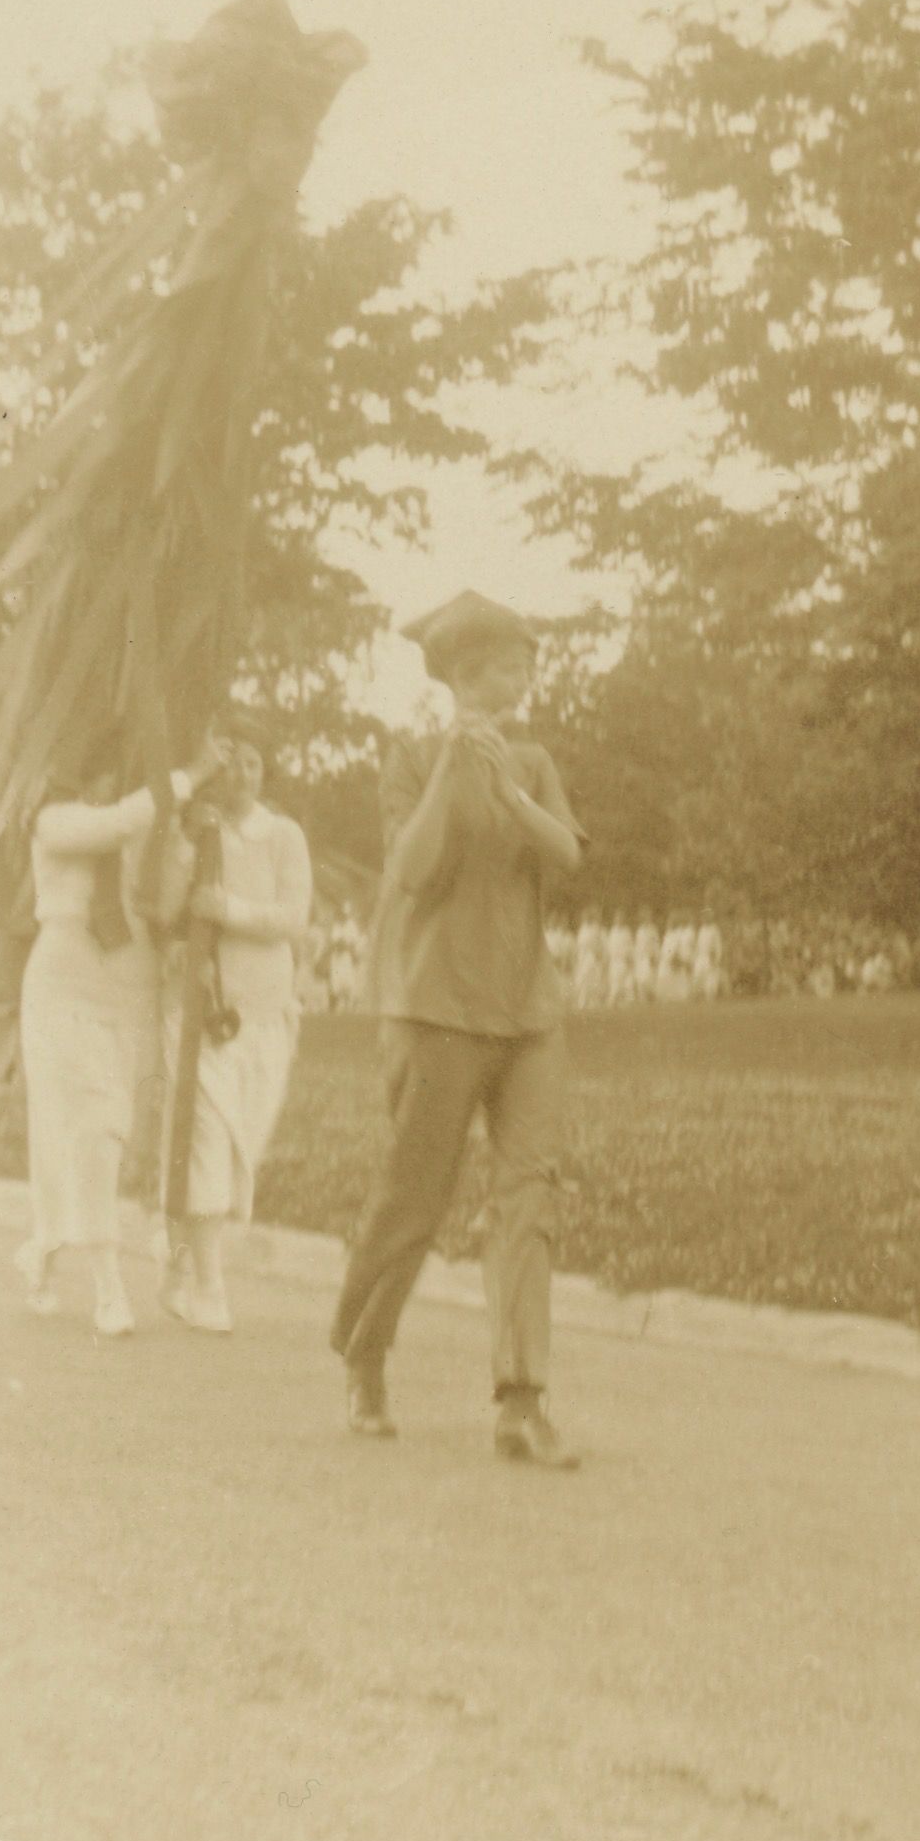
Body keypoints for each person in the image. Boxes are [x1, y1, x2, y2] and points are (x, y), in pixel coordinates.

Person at [331, 591, 583, 1468]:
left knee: (530, 1193)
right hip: (436, 1005)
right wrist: (450, 766)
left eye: (526, 667)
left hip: (527, 1007)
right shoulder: (410, 759)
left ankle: (522, 1400)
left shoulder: (534, 761)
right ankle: (365, 1357)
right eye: (509, 667)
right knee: (416, 1194)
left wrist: (509, 790)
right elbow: (412, 868)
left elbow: (567, 853)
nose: (522, 681)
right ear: (465, 676)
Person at [18, 750, 207, 1336]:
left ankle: (44, 1251)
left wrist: (184, 844)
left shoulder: (137, 825)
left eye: (116, 775)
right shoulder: (55, 821)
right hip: (65, 984)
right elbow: (119, 821)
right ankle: (108, 1285)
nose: (108, 782)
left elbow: (165, 906)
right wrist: (188, 778)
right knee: (94, 1126)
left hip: (129, 989)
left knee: (110, 1131)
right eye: (101, 772)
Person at [154, 725, 312, 1337]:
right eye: (229, 764)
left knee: (243, 1142)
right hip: (201, 1011)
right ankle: (209, 1285)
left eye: (252, 763)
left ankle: (177, 1262)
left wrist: (232, 911)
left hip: (265, 1017)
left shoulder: (283, 836)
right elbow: (167, 907)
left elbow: (294, 918)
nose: (241, 775)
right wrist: (186, 842)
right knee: (207, 1139)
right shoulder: (197, 830)